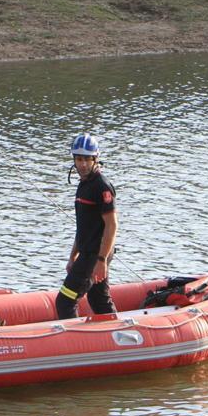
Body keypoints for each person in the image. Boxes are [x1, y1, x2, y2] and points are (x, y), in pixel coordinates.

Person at [54, 134, 118, 321]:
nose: (82, 164)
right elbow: (84, 226)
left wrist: (102, 260)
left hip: (96, 254)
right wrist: (73, 255)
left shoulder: (101, 186)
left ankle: (74, 345)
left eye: (87, 159)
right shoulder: (84, 184)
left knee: (65, 301)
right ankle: (115, 334)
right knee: (98, 298)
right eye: (79, 159)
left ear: (95, 159)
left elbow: (112, 225)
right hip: (87, 252)